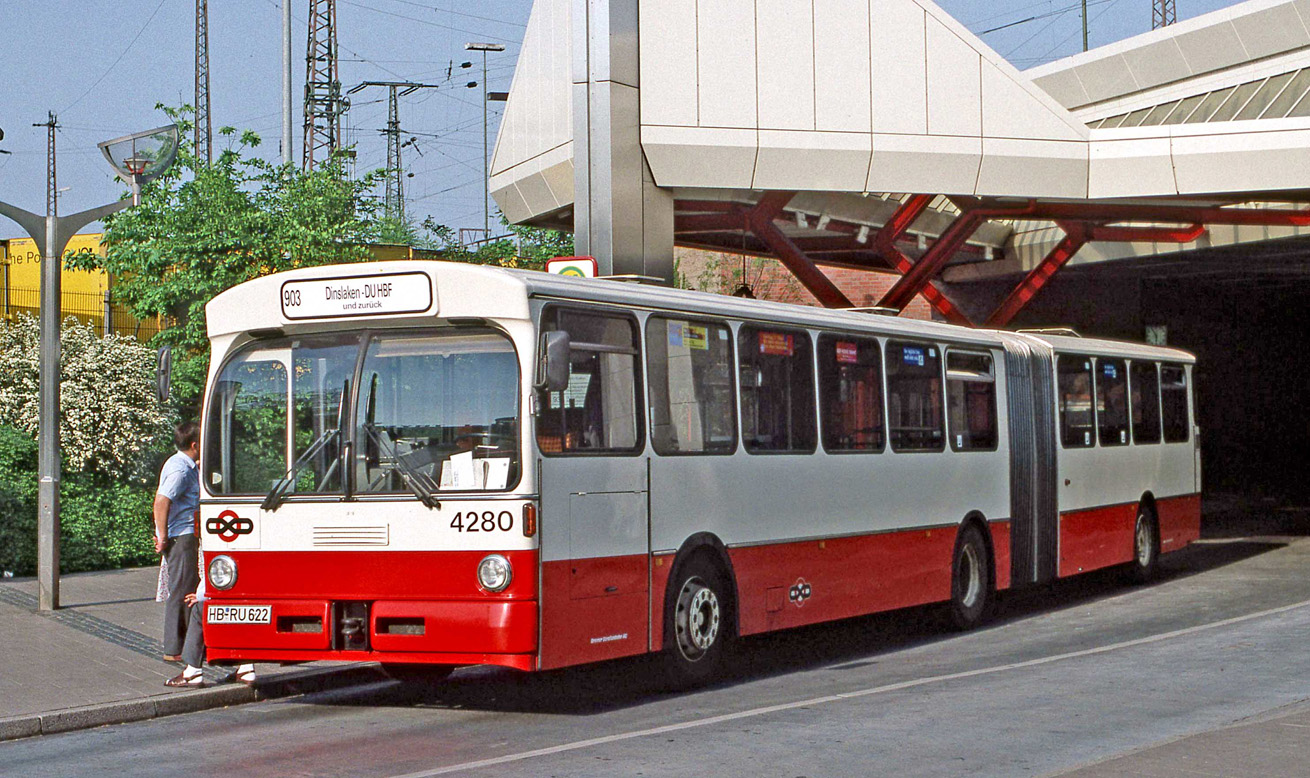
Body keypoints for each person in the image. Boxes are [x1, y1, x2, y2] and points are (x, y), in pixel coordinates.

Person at [155, 422, 201, 662]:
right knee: (182, 590)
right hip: (181, 535)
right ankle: (175, 648)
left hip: (183, 533)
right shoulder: (181, 470)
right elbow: (162, 500)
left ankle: (181, 644)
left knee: (185, 586)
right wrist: (162, 536)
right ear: (194, 445)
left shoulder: (184, 464)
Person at [165, 572, 256, 688]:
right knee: (243, 615)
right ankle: (246, 668)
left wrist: (201, 595)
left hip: (229, 594)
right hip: (250, 595)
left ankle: (192, 672)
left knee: (199, 610)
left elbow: (216, 570)